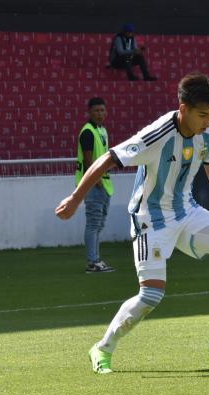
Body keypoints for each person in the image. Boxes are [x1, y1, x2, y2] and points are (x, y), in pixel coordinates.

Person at [55, 74, 209, 374]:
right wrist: (75, 199)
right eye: (202, 115)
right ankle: (102, 348)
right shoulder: (157, 134)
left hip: (187, 211)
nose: (208, 121)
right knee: (151, 295)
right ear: (183, 108)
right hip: (150, 219)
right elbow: (108, 160)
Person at [77, 97, 115, 273]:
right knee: (93, 224)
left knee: (98, 224)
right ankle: (93, 262)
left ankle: (95, 259)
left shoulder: (101, 130)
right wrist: (96, 179)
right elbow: (88, 158)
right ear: (90, 112)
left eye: (102, 110)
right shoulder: (88, 132)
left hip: (104, 183)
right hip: (94, 184)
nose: (100, 113)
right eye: (96, 110)